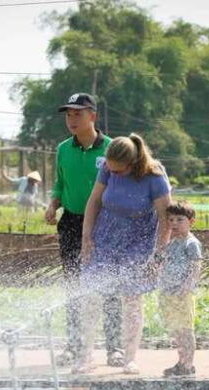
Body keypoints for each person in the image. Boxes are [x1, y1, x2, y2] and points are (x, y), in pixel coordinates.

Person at [73, 134, 171, 375]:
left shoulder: (154, 177)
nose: (112, 173)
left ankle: (130, 358)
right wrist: (87, 238)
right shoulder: (107, 168)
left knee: (131, 300)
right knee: (91, 296)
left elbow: (165, 219)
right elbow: (94, 201)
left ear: (133, 163)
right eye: (109, 168)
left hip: (138, 244)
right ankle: (85, 356)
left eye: (117, 171)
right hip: (105, 239)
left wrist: (157, 255)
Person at [45, 93, 124, 367]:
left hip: (105, 224)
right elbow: (59, 183)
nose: (72, 119)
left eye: (78, 114)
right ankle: (74, 346)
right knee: (74, 286)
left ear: (93, 116)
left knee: (109, 285)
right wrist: (53, 204)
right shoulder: (64, 148)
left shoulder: (112, 148)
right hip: (71, 222)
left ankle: (115, 348)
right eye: (68, 114)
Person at [159, 200, 202, 377]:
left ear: (191, 222)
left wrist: (187, 286)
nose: (174, 224)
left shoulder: (191, 243)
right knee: (177, 330)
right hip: (169, 293)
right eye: (171, 220)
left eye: (179, 220)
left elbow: (196, 266)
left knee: (186, 329)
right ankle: (181, 361)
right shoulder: (172, 243)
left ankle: (188, 365)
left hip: (183, 294)